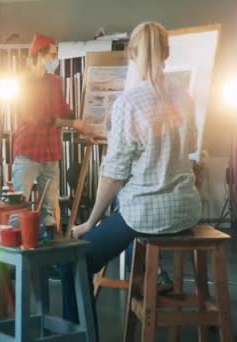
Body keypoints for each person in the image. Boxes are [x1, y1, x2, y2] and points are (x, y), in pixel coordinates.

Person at [61, 21, 202, 334]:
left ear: (132, 54)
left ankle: (80, 336)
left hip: (147, 214)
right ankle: (151, 278)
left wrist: (89, 222)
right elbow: (191, 145)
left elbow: (113, 175)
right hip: (187, 209)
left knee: (74, 261)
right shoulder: (184, 97)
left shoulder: (128, 103)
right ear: (167, 52)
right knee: (124, 213)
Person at [10, 33, 97, 233]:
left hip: (51, 152)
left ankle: (49, 253)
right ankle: (16, 255)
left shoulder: (55, 81)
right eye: (52, 54)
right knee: (18, 206)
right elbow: (38, 119)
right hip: (29, 151)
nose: (55, 59)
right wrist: (73, 123)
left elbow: (63, 108)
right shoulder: (22, 83)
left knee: (49, 208)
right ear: (39, 55)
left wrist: (83, 125)